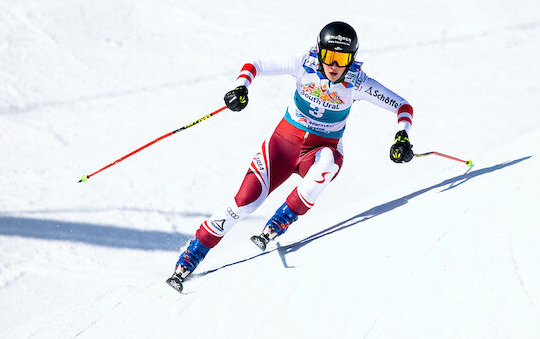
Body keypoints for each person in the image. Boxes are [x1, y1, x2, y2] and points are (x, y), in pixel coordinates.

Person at [166, 21, 414, 292]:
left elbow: (403, 106)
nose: (334, 65)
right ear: (318, 52)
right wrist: (240, 88)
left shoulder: (358, 83)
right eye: (329, 56)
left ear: (352, 59)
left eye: (342, 59)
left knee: (327, 165)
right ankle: (190, 257)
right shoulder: (303, 65)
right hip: (282, 146)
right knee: (243, 204)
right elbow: (255, 65)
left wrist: (402, 135)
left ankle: (281, 220)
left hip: (321, 150)